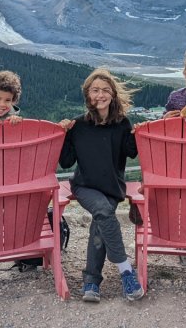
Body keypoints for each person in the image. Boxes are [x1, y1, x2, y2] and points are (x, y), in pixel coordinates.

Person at [58, 68, 144, 303]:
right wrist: (63, 135)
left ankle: (92, 283)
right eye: (95, 90)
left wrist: (136, 134)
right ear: (88, 95)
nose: (100, 94)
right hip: (85, 186)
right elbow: (66, 162)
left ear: (113, 95)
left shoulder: (122, 123)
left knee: (101, 221)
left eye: (105, 90)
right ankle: (126, 271)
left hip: (112, 187)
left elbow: (132, 151)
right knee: (104, 212)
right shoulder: (78, 125)